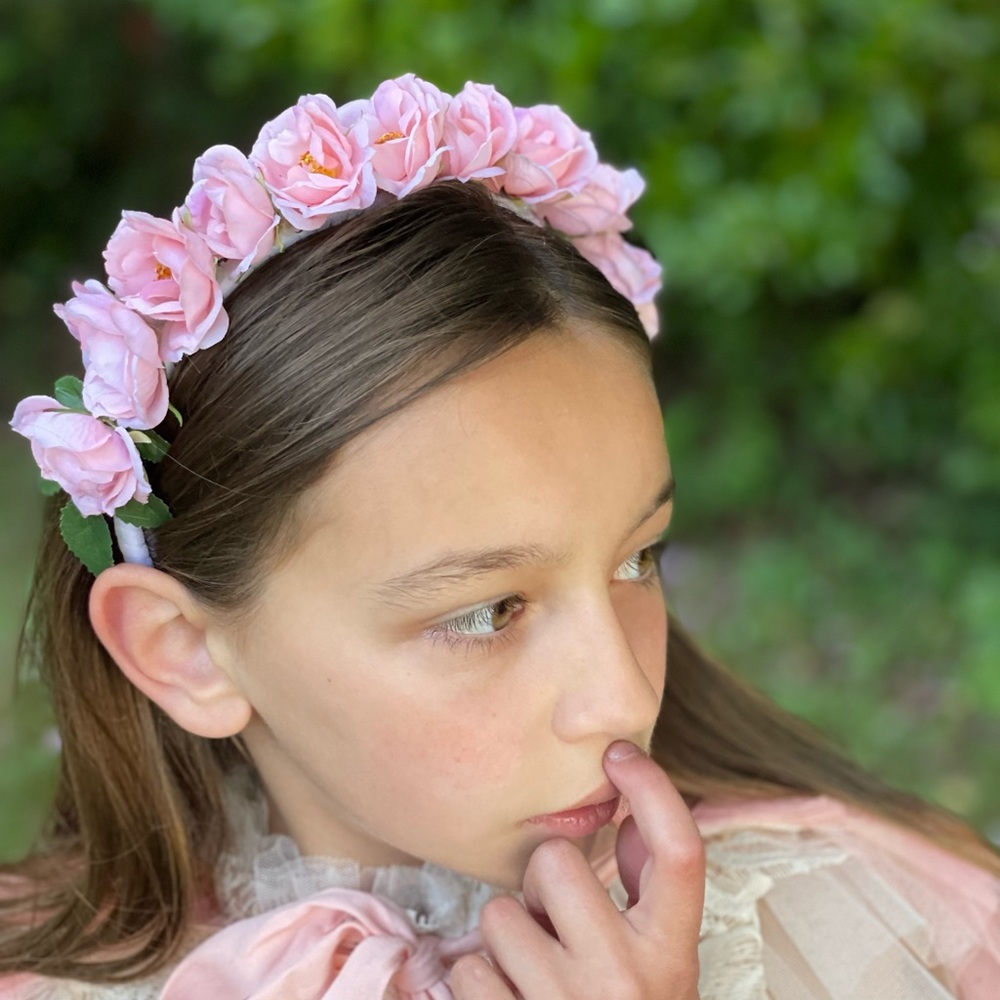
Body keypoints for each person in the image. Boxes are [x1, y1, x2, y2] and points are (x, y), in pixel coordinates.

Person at [1, 74, 997, 999]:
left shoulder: (844, 926)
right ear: (184, 652)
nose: (618, 697)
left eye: (637, 557)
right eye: (488, 610)